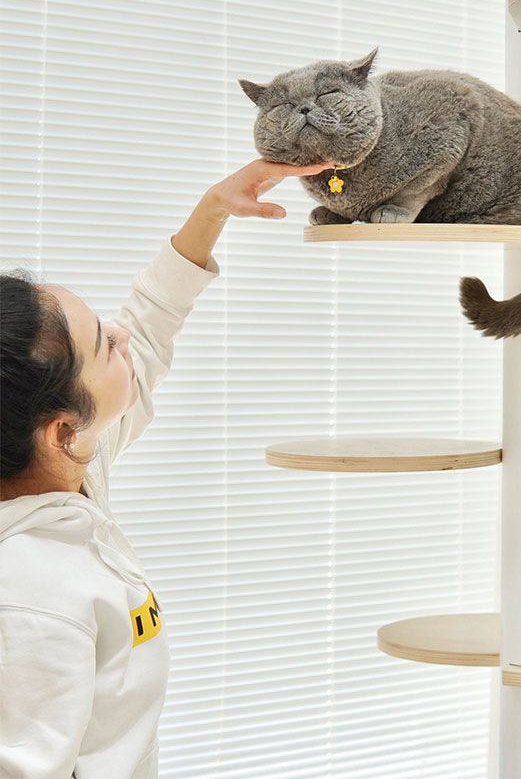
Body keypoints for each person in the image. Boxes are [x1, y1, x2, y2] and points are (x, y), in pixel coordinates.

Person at [0, 157, 335, 778]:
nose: (122, 337)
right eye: (104, 342)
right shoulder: (27, 597)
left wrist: (213, 209)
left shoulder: (66, 470)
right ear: (62, 429)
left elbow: (147, 328)